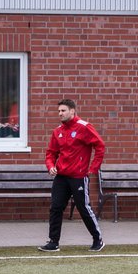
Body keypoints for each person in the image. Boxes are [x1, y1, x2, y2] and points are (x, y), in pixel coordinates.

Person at [38, 98, 106, 253]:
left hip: (78, 176)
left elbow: (100, 146)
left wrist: (93, 169)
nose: (60, 114)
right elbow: (50, 153)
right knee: (55, 207)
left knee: (83, 208)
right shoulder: (58, 131)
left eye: (63, 111)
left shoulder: (84, 127)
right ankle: (53, 242)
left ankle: (98, 239)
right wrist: (50, 167)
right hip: (61, 177)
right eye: (59, 111)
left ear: (72, 111)